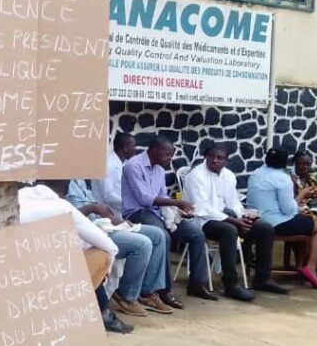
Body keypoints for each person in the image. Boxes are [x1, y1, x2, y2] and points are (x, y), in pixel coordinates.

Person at [18, 181, 133, 334]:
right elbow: (109, 246)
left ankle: (102, 312)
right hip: (46, 282)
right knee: (102, 254)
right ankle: (94, 312)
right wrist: (106, 272)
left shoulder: (18, 197)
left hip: (18, 276)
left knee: (76, 250)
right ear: (66, 190)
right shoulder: (61, 206)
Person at [183, 145, 279, 300]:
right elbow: (202, 208)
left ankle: (262, 279)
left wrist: (243, 217)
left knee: (265, 227)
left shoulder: (228, 175)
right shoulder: (196, 176)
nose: (215, 161)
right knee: (229, 230)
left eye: (219, 158)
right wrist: (234, 221)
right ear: (206, 157)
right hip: (201, 220)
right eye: (211, 157)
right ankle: (231, 284)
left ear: (227, 160)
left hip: (226, 217)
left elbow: (234, 202)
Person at [67, 178, 172, 315]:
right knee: (142, 244)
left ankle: (146, 293)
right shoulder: (60, 183)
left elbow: (97, 211)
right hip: (88, 233)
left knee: (158, 235)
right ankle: (127, 297)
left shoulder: (80, 180)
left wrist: (116, 221)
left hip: (103, 224)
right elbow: (66, 217)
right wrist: (92, 208)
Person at [122, 136, 205, 305]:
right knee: (163, 236)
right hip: (136, 213)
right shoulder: (133, 166)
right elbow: (144, 198)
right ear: (153, 151)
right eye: (167, 154)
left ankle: (197, 283)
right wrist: (177, 202)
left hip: (158, 212)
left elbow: (162, 196)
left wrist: (179, 210)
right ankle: (163, 290)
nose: (170, 158)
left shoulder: (159, 169)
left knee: (196, 233)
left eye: (171, 155)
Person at [247, 148, 317, 290]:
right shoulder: (283, 179)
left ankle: (301, 264)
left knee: (306, 221)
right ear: (285, 163)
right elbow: (288, 209)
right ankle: (311, 268)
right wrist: (302, 194)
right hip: (276, 222)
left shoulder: (256, 173)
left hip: (256, 219)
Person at [93, 131, 136, 216]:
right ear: (125, 148)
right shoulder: (107, 165)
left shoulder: (125, 163)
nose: (135, 149)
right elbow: (108, 196)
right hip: (107, 216)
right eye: (134, 146)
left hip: (123, 212)